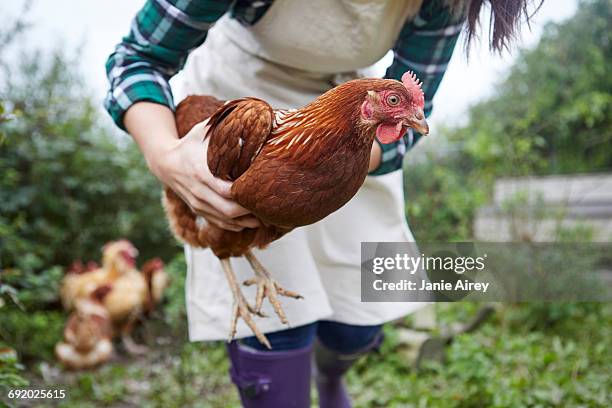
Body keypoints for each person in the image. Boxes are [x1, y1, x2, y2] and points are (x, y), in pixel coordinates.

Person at [105, 1, 534, 406]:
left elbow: (414, 114)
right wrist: (167, 157)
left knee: (357, 320)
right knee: (277, 323)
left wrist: (326, 165)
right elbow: (137, 58)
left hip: (346, 122)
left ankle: (330, 374)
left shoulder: (450, 2)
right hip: (243, 105)